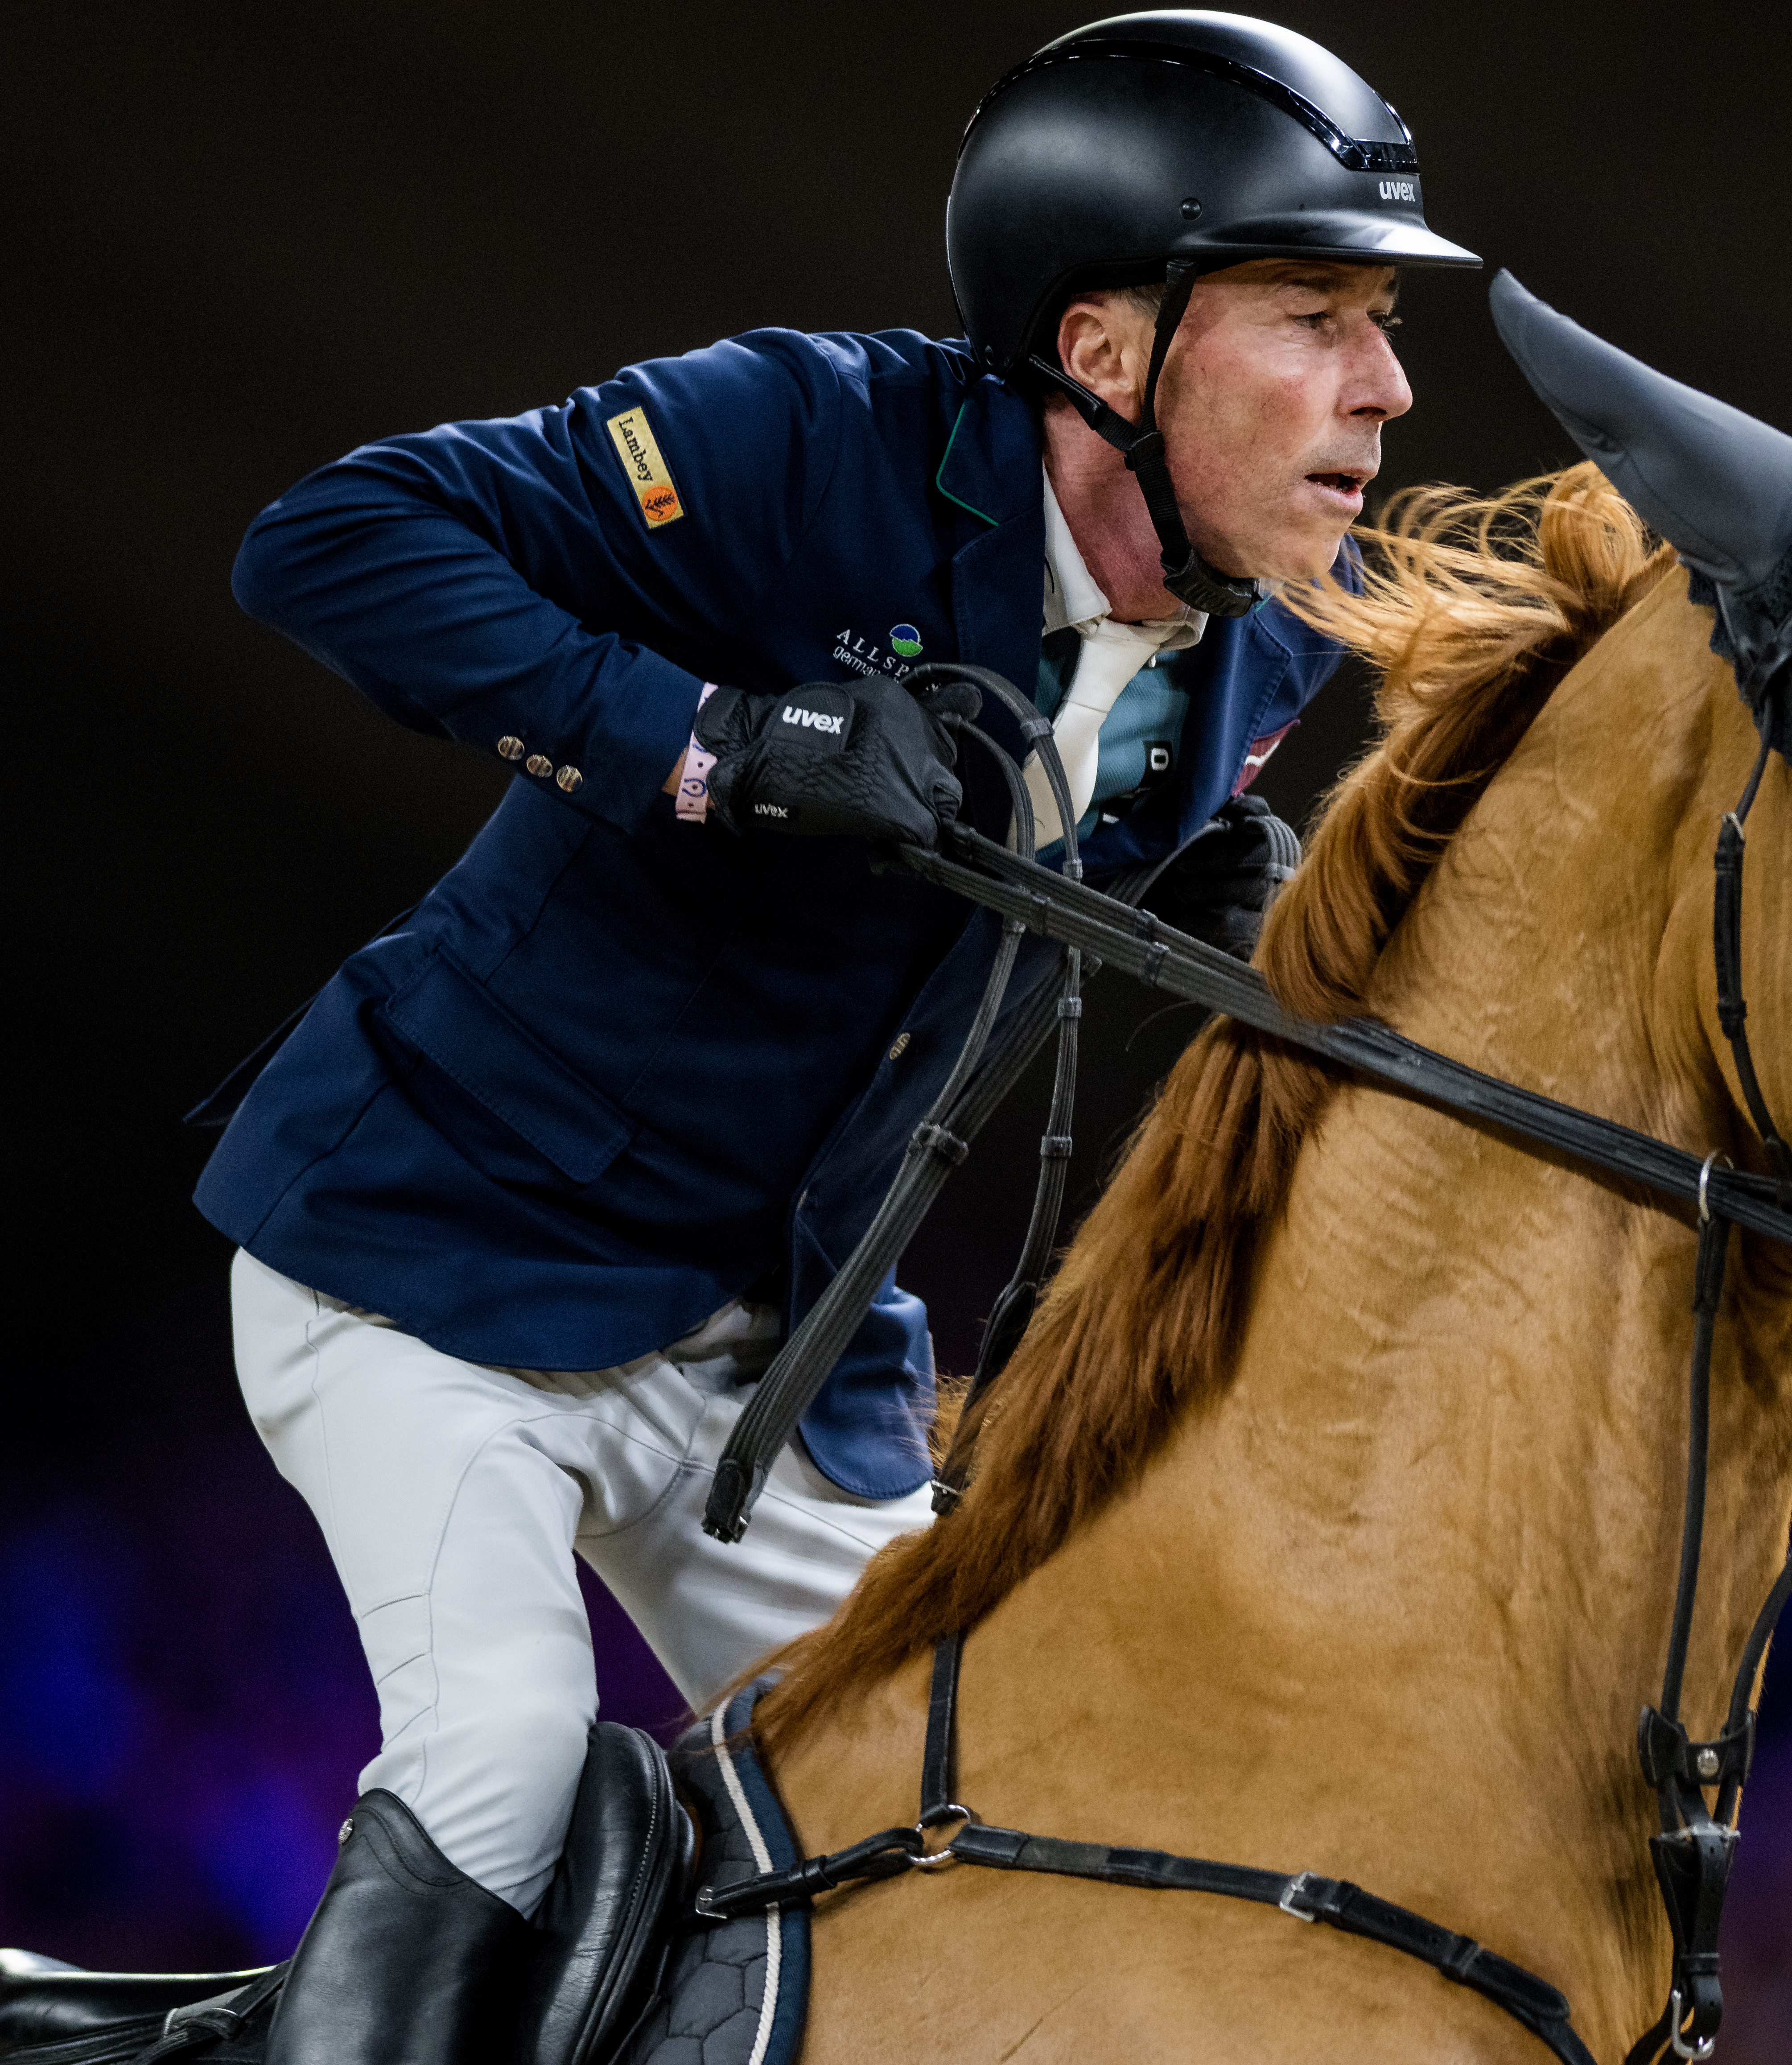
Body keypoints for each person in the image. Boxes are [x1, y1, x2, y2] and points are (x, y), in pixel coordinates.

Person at [0, 13, 1476, 2061]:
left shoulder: (1273, 618)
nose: (1389, 388)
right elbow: (322, 545)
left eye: (1379, 326)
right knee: (509, 1768)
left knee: (1011, 1798)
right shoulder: (803, 437)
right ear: (1115, 353)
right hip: (435, 1261)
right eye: (1320, 314)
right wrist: (700, 742)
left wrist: (1177, 882)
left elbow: (997, 832)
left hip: (778, 1351)